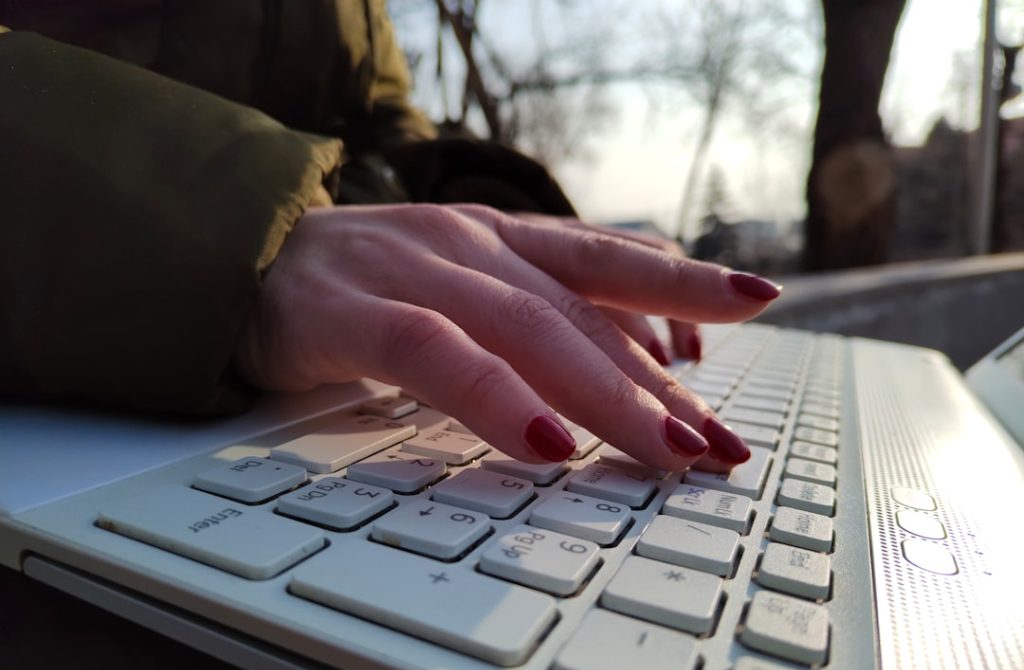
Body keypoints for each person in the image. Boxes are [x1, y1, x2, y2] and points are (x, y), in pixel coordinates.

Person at [0, 2, 779, 471]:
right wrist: (250, 233)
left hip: (296, 389)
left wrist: (494, 239)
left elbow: (382, 131)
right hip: (75, 405)